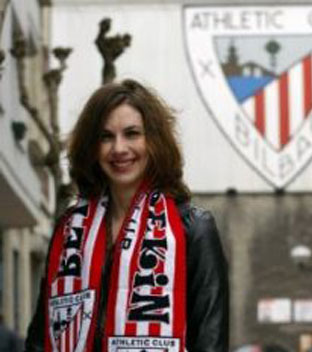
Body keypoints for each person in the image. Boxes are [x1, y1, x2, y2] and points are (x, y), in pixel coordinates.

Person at [25, 79, 229, 352]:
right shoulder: (68, 232)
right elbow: (41, 337)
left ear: (154, 141)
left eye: (132, 134)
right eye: (106, 136)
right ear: (92, 147)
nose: (119, 148)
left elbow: (210, 341)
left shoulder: (193, 228)